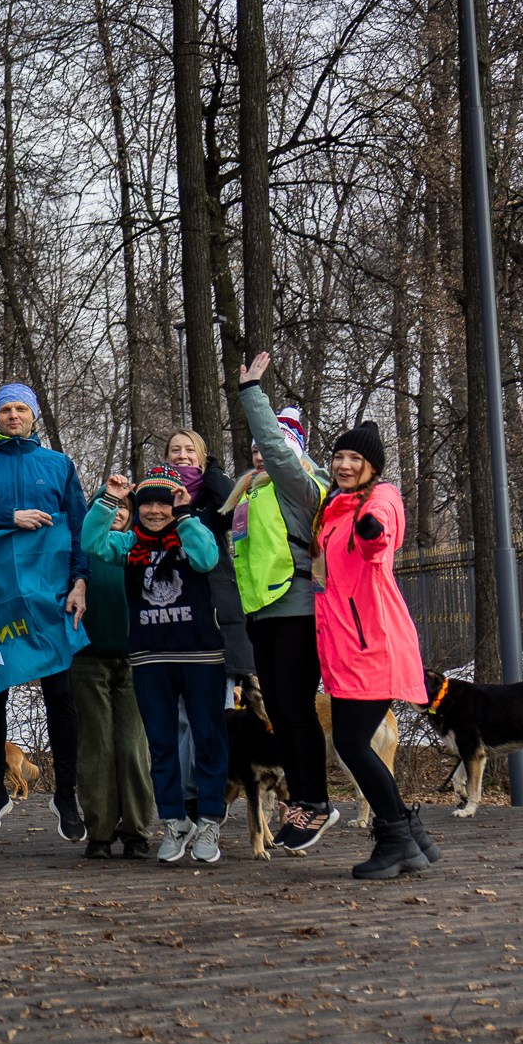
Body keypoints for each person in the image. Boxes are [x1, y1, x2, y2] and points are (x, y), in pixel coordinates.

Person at [0, 383, 90, 841]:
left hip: (51, 595)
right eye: (6, 409)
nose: (13, 416)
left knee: (60, 696)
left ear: (33, 416)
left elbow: (79, 528)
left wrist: (80, 581)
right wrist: (10, 517)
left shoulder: (58, 464)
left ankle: (65, 794)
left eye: (20, 409)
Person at [314, 420, 436, 880]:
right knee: (352, 742)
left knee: (350, 742)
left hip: (374, 645)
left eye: (355, 459)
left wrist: (372, 530)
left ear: (372, 467)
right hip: (346, 646)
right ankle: (413, 837)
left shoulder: (380, 499)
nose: (344, 465)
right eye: (339, 457)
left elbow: (379, 538)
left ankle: (397, 840)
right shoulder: (333, 508)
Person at [88, 474, 227, 864]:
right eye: (146, 504)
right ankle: (174, 820)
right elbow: (93, 543)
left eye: (162, 503)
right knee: (161, 744)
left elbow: (207, 558)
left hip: (201, 656)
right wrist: (109, 500)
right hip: (150, 658)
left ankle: (210, 820)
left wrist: (185, 514)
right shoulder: (129, 543)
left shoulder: (189, 531)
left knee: (208, 740)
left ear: (173, 505)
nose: (153, 511)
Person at [231, 353, 337, 851]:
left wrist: (252, 394)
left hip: (297, 608)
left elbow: (277, 449)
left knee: (295, 709)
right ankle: (303, 801)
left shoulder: (302, 486)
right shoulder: (249, 496)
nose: (260, 457)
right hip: (262, 613)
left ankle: (315, 801)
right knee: (277, 709)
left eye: (268, 449)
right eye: (253, 450)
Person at [71, 485, 155, 860]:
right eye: (109, 505)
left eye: (124, 506)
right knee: (97, 747)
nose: (118, 511)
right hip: (88, 659)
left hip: (136, 659)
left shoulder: (140, 545)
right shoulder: (79, 549)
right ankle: (100, 833)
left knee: (133, 746)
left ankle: (136, 831)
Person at [158, 428, 254, 679]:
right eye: (175, 450)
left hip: (215, 599)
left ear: (202, 457)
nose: (182, 455)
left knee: (221, 693)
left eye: (190, 450)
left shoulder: (212, 495)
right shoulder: (156, 497)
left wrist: (212, 472)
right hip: (170, 599)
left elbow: (235, 512)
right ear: (166, 457)